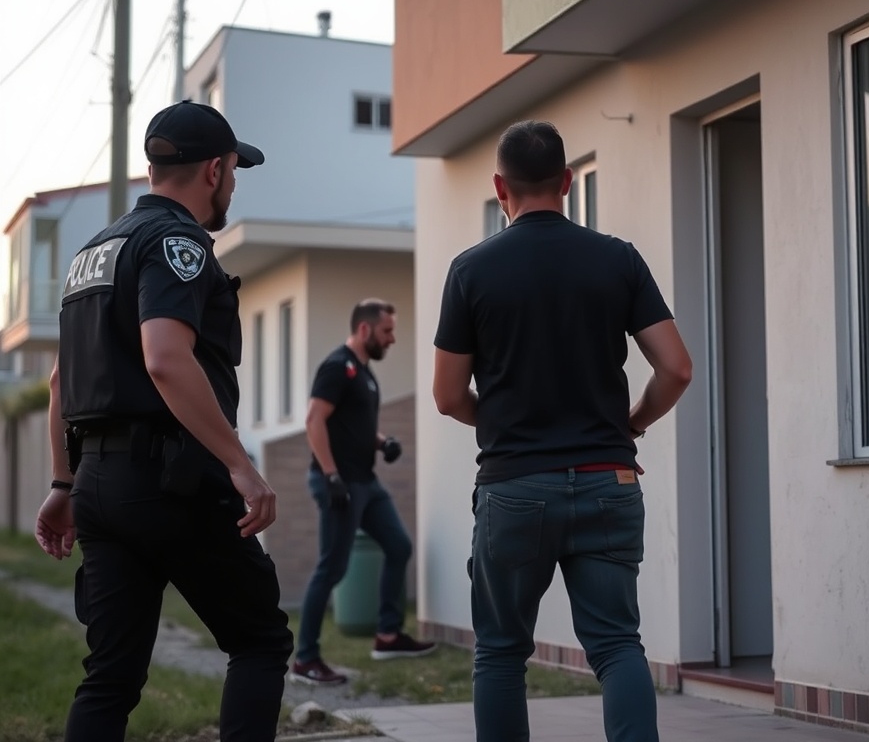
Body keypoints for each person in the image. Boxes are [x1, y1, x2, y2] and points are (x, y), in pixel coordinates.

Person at [33, 100, 294, 742]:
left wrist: (64, 484)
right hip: (171, 482)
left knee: (111, 676)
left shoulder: (94, 252)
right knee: (260, 639)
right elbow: (166, 360)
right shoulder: (177, 243)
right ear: (214, 170)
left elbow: (62, 382)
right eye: (234, 169)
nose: (233, 183)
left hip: (98, 484)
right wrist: (242, 467)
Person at [432, 120, 693, 742]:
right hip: (609, 480)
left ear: (501, 187)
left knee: (499, 654)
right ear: (568, 182)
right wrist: (628, 425)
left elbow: (446, 396)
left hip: (514, 488)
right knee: (616, 647)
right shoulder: (618, 259)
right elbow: (677, 368)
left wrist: (495, 420)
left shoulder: (471, 270)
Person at [291, 299, 436, 684]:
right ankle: (305, 659)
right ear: (366, 329)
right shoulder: (338, 367)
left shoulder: (364, 373)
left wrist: (382, 442)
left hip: (366, 481)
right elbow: (314, 420)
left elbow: (351, 424)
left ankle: (388, 635)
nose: (392, 339)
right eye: (388, 331)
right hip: (341, 481)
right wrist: (331, 475)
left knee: (399, 546)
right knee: (332, 567)